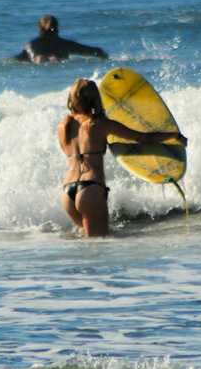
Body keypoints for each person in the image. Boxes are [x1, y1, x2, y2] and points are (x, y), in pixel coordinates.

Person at [58, 78, 187, 237]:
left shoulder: (63, 126)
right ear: (94, 98)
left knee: (88, 244)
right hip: (90, 188)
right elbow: (141, 138)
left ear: (72, 99)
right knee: (97, 246)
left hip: (67, 192)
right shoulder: (101, 124)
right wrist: (173, 135)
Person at [15, 15, 109, 63]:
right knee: (57, 60)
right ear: (57, 30)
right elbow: (94, 51)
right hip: (59, 61)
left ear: (40, 29)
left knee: (39, 59)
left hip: (39, 63)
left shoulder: (30, 45)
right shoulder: (66, 44)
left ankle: (41, 59)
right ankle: (53, 59)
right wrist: (103, 54)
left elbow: (16, 60)